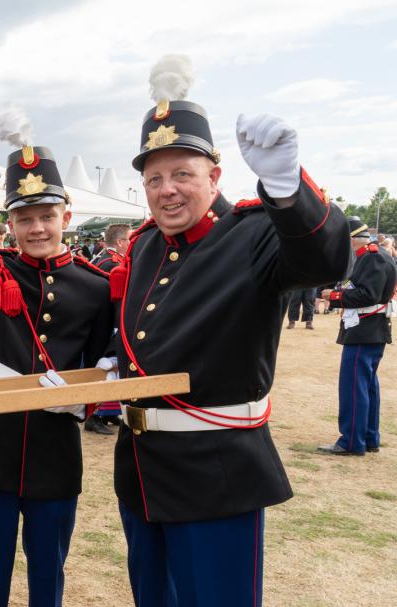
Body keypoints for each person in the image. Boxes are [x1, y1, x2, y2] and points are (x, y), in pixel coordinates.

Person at [108, 55, 349, 606]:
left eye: (182, 175)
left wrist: (286, 188)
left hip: (215, 473)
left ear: (215, 177)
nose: (167, 190)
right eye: (154, 178)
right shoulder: (146, 244)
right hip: (142, 468)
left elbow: (325, 261)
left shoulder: (254, 234)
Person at [0, 126, 114, 606]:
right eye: (24, 218)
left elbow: (96, 360)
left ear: (66, 216)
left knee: (48, 568)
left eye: (46, 216)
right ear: (10, 223)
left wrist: (85, 398)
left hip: (54, 445)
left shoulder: (95, 285)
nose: (36, 228)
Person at [317, 217, 396, 456]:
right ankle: (368, 437)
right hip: (368, 329)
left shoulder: (372, 258)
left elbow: (367, 295)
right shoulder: (373, 256)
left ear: (351, 239)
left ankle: (351, 441)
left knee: (354, 387)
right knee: (367, 386)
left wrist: (334, 296)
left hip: (364, 329)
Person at [87, 222, 133, 435]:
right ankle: (94, 415)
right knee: (104, 368)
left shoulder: (108, 258)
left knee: (114, 369)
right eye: (129, 239)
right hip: (107, 323)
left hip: (108, 322)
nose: (131, 243)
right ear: (121, 242)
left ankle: (108, 412)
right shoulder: (110, 262)